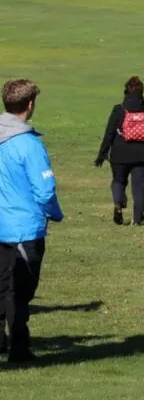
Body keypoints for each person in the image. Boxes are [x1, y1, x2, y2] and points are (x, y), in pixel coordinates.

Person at [0, 79, 64, 363]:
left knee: (2, 285)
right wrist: (54, 212)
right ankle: (19, 348)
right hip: (23, 228)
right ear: (29, 105)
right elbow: (44, 189)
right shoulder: (29, 145)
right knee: (20, 291)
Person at [95, 76, 144, 226]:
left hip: (120, 153)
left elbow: (109, 133)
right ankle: (137, 219)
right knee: (139, 186)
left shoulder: (119, 110)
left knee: (119, 181)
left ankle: (118, 203)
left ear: (126, 92)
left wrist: (102, 154)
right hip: (143, 154)